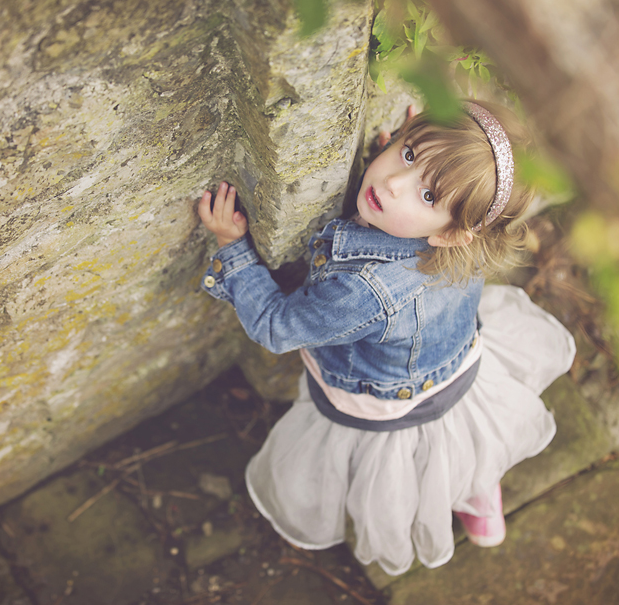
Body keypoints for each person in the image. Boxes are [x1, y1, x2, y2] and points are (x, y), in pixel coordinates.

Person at [196, 100, 575, 576]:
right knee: (463, 448)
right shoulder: (472, 238)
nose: (393, 185)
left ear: (454, 235)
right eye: (409, 155)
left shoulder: (364, 291)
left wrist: (234, 250)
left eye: (429, 197)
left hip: (388, 402)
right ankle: (480, 498)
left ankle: (467, 495)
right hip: (459, 367)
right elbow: (419, 184)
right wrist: (411, 161)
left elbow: (276, 326)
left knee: (416, 471)